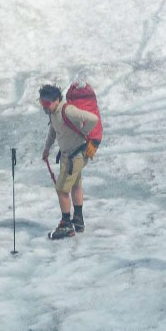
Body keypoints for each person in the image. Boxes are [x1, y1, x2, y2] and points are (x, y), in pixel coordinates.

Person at [39, 84, 99, 240]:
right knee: (76, 186)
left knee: (62, 190)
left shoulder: (68, 110)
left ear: (57, 100)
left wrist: (85, 133)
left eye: (47, 103)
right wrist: (47, 149)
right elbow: (53, 131)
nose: (44, 106)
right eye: (41, 103)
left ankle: (66, 225)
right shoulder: (53, 113)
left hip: (76, 156)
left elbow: (93, 119)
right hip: (68, 156)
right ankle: (78, 221)